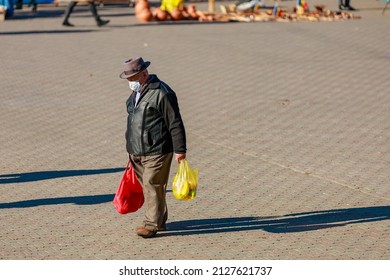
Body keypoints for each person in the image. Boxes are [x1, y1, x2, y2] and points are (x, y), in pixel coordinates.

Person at [119, 57, 187, 238]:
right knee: (152, 188)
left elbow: (175, 123)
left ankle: (151, 225)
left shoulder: (162, 92)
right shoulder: (136, 93)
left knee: (152, 184)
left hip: (158, 150)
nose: (130, 82)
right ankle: (160, 219)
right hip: (137, 151)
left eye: (132, 77)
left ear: (144, 73)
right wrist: (130, 147)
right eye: (128, 79)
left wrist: (180, 150)